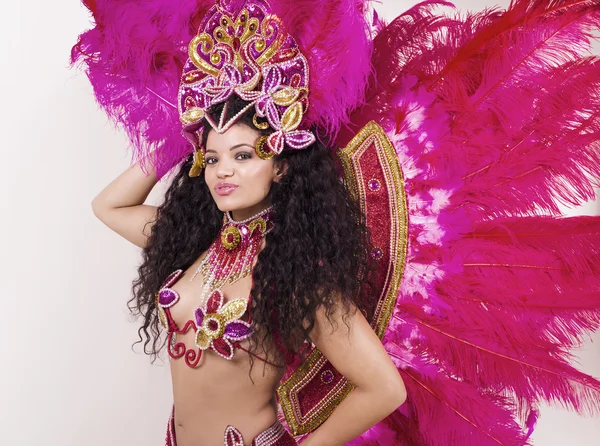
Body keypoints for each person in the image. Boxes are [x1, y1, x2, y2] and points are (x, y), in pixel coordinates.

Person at [73, 0, 600, 444]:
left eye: (244, 155)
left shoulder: (297, 273)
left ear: (281, 165)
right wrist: (185, 132)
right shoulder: (195, 243)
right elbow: (109, 207)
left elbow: (384, 388)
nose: (224, 172)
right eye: (212, 160)